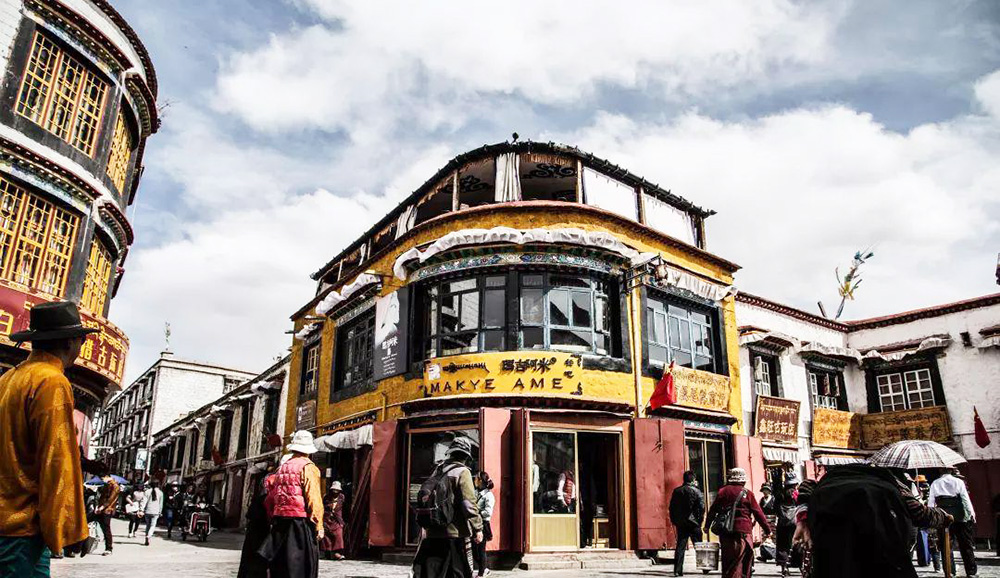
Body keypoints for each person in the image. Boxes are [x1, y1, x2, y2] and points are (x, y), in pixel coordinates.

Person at [0, 302, 98, 575]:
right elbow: (57, 460)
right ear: (70, 342)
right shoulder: (51, 381)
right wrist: (68, 528)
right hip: (22, 528)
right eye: (81, 339)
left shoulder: (10, 378)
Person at [796, 463, 951, 578]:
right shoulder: (893, 485)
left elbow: (806, 485)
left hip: (833, 563)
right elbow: (921, 514)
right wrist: (943, 516)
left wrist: (802, 521)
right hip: (883, 560)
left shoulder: (828, 483)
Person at [411, 436, 483, 578]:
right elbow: (469, 504)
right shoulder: (463, 472)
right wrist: (478, 528)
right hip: (454, 533)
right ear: (466, 456)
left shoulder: (438, 469)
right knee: (457, 573)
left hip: (432, 531)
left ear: (451, 453)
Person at [259, 430, 324, 578]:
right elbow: (313, 497)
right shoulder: (308, 467)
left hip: (280, 521)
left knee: (281, 563)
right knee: (301, 565)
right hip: (299, 521)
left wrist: (273, 517)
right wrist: (318, 524)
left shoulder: (282, 467)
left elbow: (271, 497)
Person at [704, 467, 770, 578]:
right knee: (741, 563)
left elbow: (713, 510)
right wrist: (767, 529)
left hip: (725, 532)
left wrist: (707, 525)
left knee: (728, 562)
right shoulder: (747, 493)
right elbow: (758, 513)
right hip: (743, 532)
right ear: (743, 480)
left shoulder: (722, 491)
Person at [929, 467, 978, 577]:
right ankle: (971, 571)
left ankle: (949, 571)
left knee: (945, 545)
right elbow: (965, 498)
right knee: (966, 544)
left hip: (943, 516)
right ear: (951, 471)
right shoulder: (958, 481)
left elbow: (931, 503)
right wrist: (971, 513)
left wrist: (931, 518)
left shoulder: (935, 483)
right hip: (959, 515)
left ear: (940, 471)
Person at [237, 469, 273, 578]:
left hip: (255, 534)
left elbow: (249, 516)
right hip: (261, 534)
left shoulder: (259, 499)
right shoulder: (267, 499)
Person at [669, 470, 705, 577]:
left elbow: (672, 507)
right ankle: (704, 567)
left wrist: (674, 520)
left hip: (682, 523)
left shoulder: (677, 491)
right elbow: (702, 507)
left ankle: (677, 570)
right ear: (693, 479)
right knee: (699, 545)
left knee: (680, 546)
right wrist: (700, 520)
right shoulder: (697, 491)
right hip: (694, 523)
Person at [774, 472, 800, 576]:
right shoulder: (796, 494)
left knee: (782, 544)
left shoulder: (780, 494)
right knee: (796, 543)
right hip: (794, 522)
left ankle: (783, 566)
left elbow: (774, 507)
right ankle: (797, 564)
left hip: (782, 523)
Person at [472, 471, 495, 577]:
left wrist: (476, 512)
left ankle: (482, 572)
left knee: (481, 549)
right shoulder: (476, 492)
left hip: (483, 524)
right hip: (475, 523)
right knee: (474, 549)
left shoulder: (488, 495)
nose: (474, 480)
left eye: (476, 478)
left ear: (480, 480)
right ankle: (484, 568)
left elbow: (488, 512)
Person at [93, 467, 120, 555]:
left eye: (102, 478)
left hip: (107, 510)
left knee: (106, 529)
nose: (102, 480)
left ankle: (109, 548)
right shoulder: (106, 485)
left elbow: (110, 500)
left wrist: (101, 508)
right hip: (101, 509)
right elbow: (101, 497)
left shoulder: (115, 486)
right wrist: (98, 507)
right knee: (86, 519)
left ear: (106, 476)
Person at [319, 481, 346, 560]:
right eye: (334, 490)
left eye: (337, 490)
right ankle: (327, 552)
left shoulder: (342, 497)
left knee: (338, 535)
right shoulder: (326, 497)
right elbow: (322, 507)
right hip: (327, 519)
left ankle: (337, 552)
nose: (335, 492)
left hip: (337, 520)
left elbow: (345, 508)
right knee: (326, 537)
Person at [143, 480, 164, 546]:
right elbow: (161, 504)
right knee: (152, 525)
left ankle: (147, 537)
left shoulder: (147, 492)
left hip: (147, 511)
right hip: (155, 511)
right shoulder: (160, 493)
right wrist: (160, 511)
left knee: (148, 525)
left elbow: (144, 501)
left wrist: (141, 509)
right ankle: (149, 536)